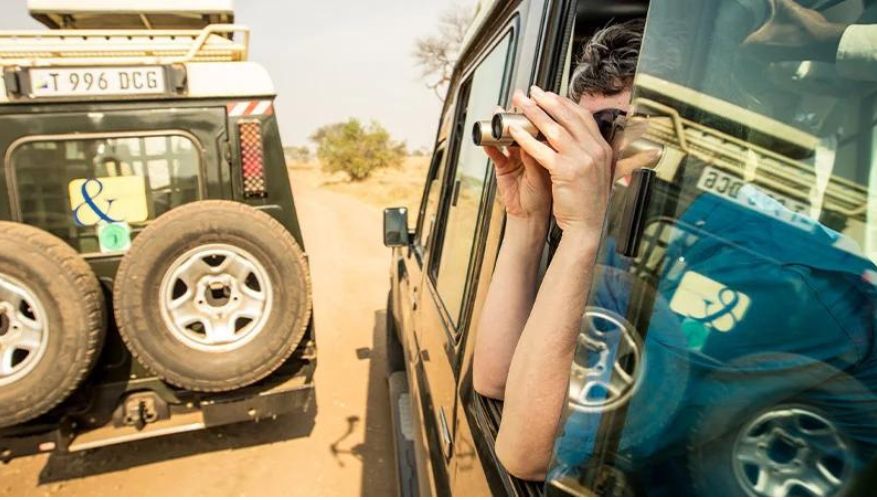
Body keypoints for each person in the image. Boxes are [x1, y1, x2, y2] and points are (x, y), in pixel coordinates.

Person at [471, 19, 647, 481]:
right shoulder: (617, 237)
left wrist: (583, 232)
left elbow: (528, 456)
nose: (592, 153)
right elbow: (494, 379)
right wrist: (527, 221)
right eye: (582, 131)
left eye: (609, 129)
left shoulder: (721, 260)